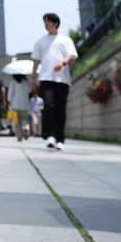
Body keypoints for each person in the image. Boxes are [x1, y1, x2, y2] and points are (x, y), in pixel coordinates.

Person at [31, 12, 77, 150]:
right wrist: (33, 77)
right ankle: (50, 135)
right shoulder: (41, 41)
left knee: (60, 109)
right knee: (49, 106)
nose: (46, 24)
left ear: (55, 23)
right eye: (44, 22)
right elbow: (36, 59)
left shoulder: (65, 40)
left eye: (48, 22)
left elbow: (72, 55)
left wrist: (62, 63)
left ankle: (60, 139)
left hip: (62, 79)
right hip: (46, 78)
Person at [7, 73, 33, 141]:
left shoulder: (12, 81)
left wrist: (9, 100)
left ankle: (19, 137)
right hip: (25, 104)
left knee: (17, 122)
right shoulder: (26, 81)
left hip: (15, 104)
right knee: (24, 118)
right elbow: (29, 91)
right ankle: (26, 127)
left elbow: (10, 92)